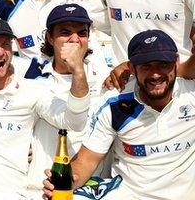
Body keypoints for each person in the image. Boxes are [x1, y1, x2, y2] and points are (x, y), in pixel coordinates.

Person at [0, 0, 91, 199]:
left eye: (5, 44)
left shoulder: (32, 91)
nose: (0, 52)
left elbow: (75, 121)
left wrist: (78, 71)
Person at [43, 29, 195, 199]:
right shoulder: (115, 106)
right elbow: (87, 160)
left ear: (176, 62)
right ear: (131, 68)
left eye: (163, 64)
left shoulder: (191, 95)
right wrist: (68, 181)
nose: (155, 74)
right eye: (146, 66)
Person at [25, 4, 112, 195]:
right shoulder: (33, 79)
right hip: (43, 190)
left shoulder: (106, 77)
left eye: (82, 33)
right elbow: (75, 122)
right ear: (50, 37)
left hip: (94, 190)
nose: (74, 39)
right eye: (65, 32)